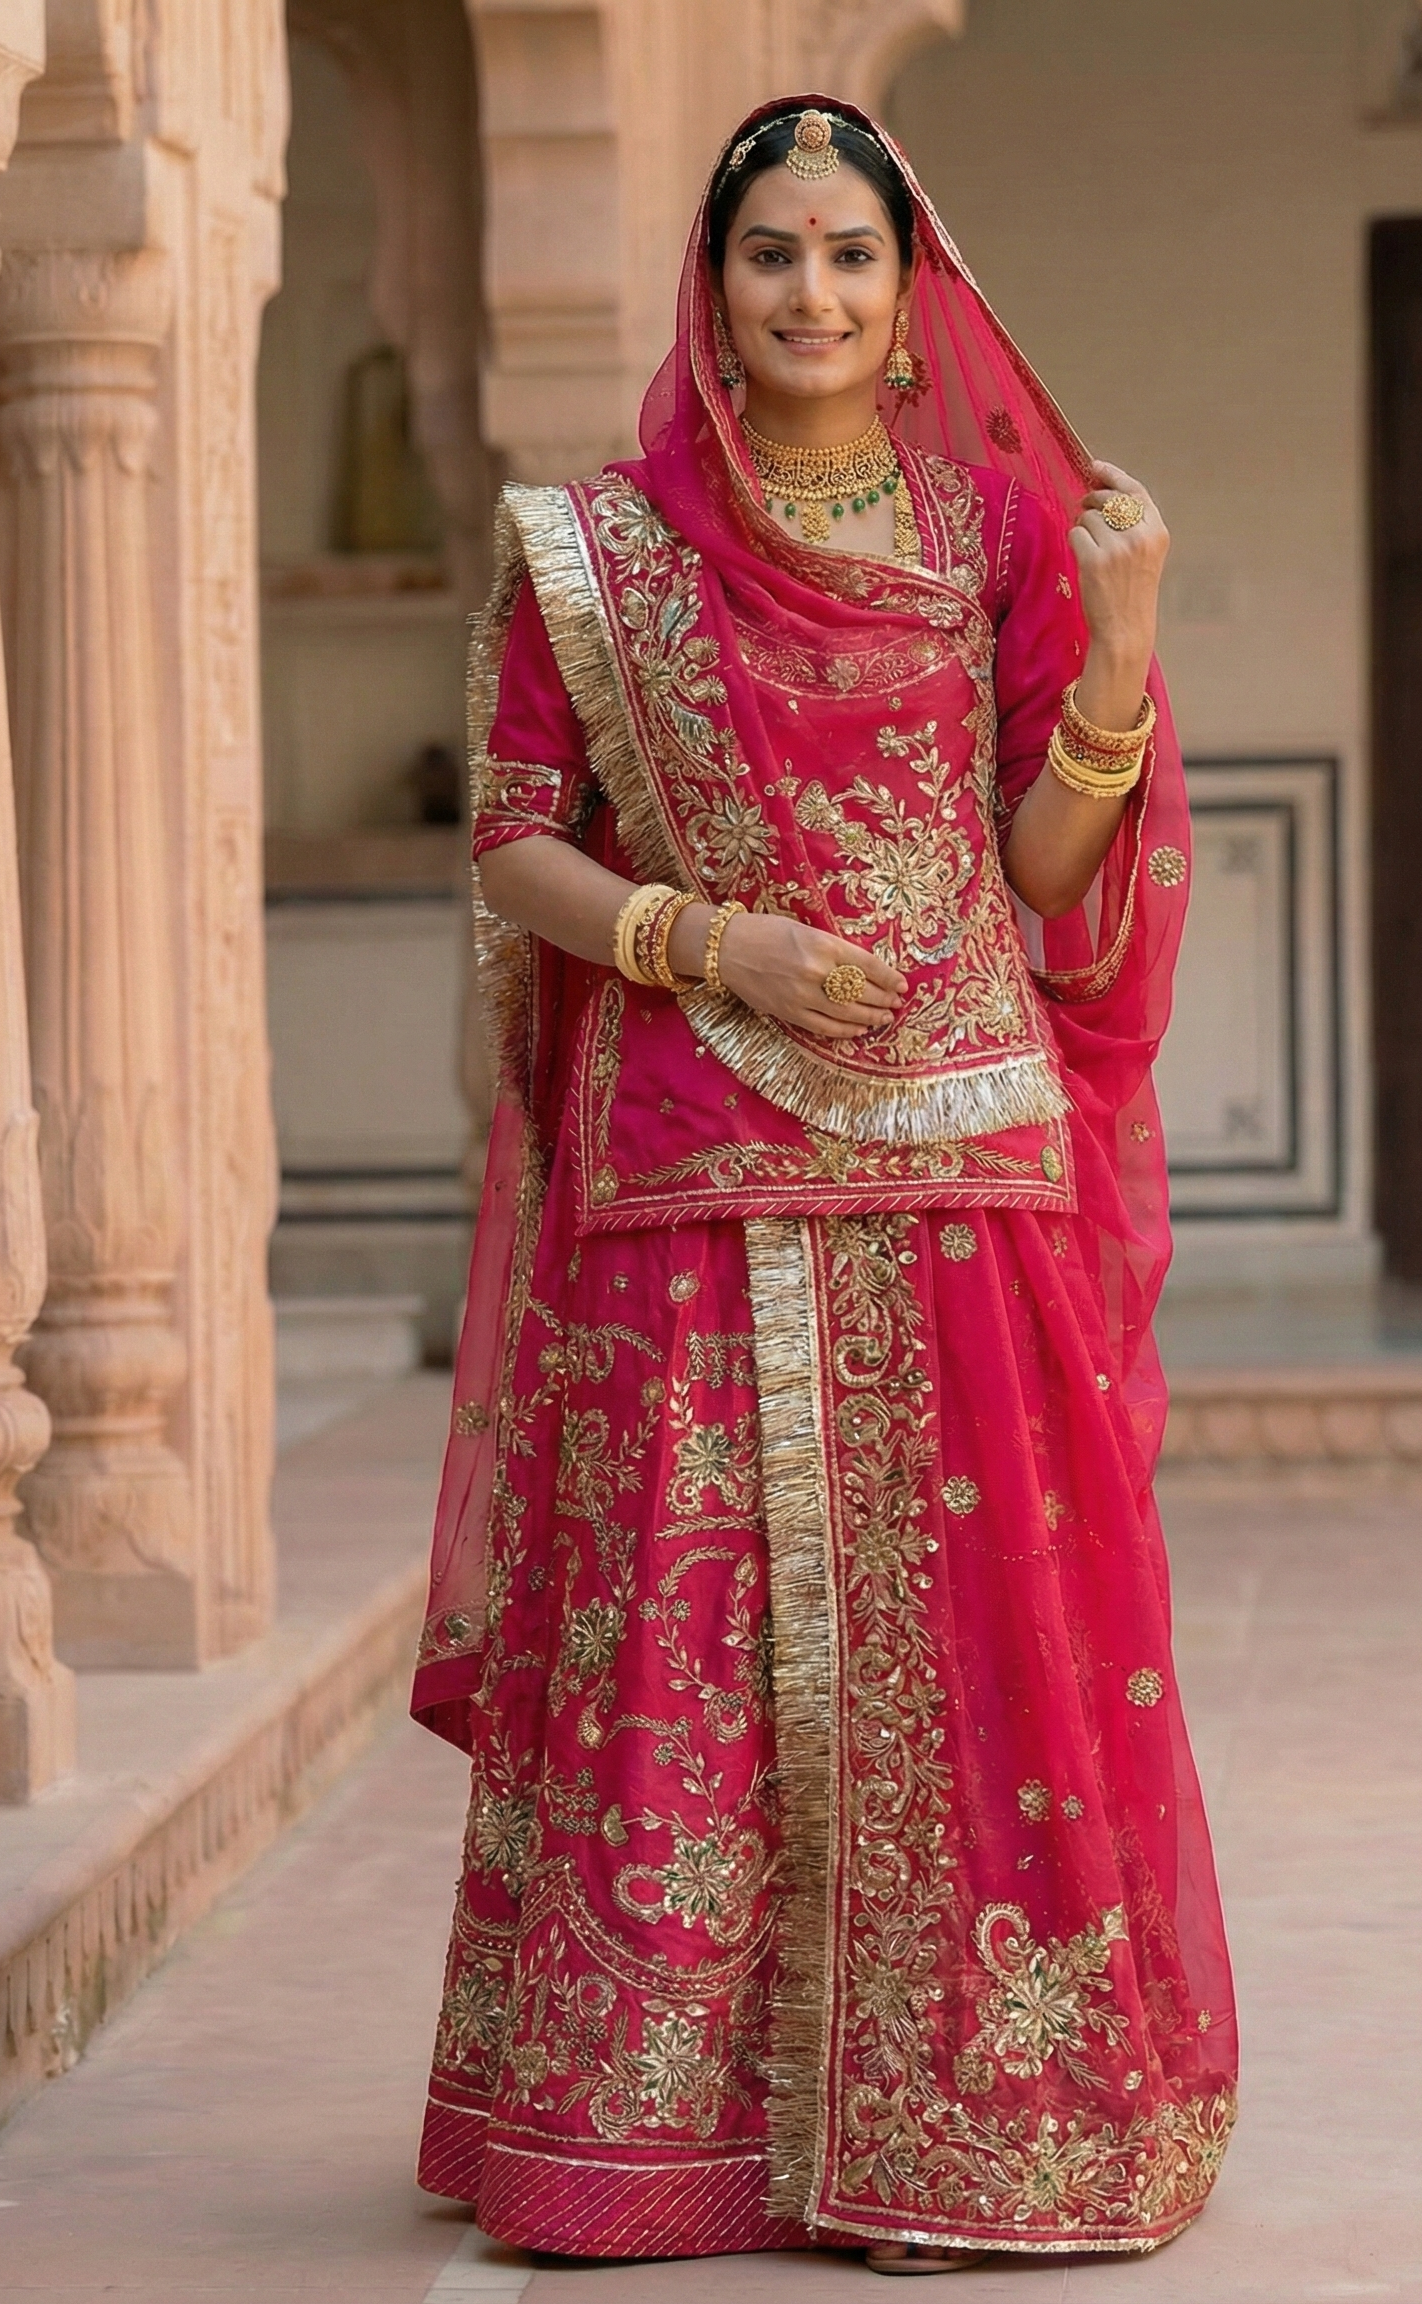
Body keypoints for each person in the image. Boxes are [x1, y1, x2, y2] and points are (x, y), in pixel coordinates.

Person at [411, 94, 1237, 2277]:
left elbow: (1046, 870)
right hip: (689, 1156)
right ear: (715, 282)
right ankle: (649, 2140)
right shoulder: (596, 549)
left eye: (849, 258)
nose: (811, 294)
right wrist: (715, 943)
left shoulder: (988, 539)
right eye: (771, 254)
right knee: (682, 1632)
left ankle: (974, 2138)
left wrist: (1127, 652)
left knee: (971, 1640)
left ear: (906, 292)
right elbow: (515, 837)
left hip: (960, 1149)